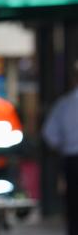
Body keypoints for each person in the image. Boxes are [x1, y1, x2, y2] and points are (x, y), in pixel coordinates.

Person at [42, 62, 78, 235]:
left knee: (73, 207)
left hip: (72, 160)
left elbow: (49, 134)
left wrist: (62, 146)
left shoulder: (64, 105)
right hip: (70, 157)